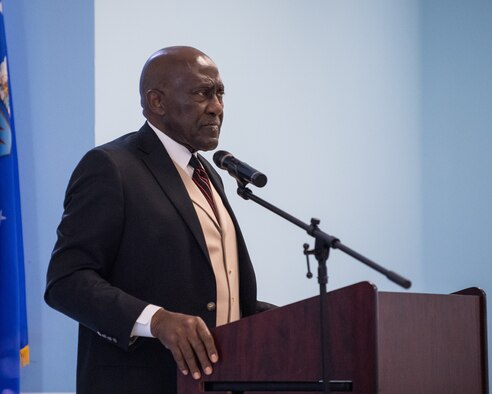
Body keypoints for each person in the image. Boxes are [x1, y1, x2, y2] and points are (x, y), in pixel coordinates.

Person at [45, 46, 272, 394]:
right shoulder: (111, 167)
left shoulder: (208, 174)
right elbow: (67, 281)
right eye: (202, 93)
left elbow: (224, 296)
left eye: (220, 93)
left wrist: (310, 322)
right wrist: (157, 320)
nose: (217, 107)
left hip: (218, 383)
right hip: (142, 382)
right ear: (157, 102)